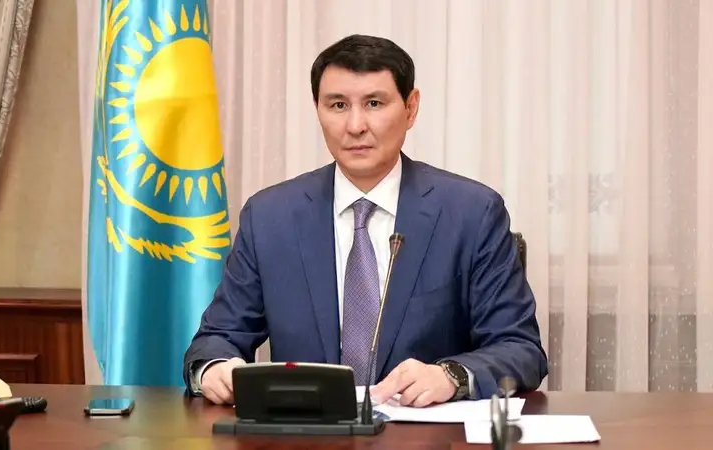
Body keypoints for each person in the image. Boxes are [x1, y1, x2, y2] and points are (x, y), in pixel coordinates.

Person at [183, 34, 548, 407]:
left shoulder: (471, 213)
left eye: (374, 103)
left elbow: (520, 348)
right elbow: (217, 338)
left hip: (426, 431)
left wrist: (449, 376)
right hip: (305, 431)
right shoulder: (270, 217)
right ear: (317, 109)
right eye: (338, 105)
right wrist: (214, 368)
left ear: (411, 108)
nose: (355, 125)